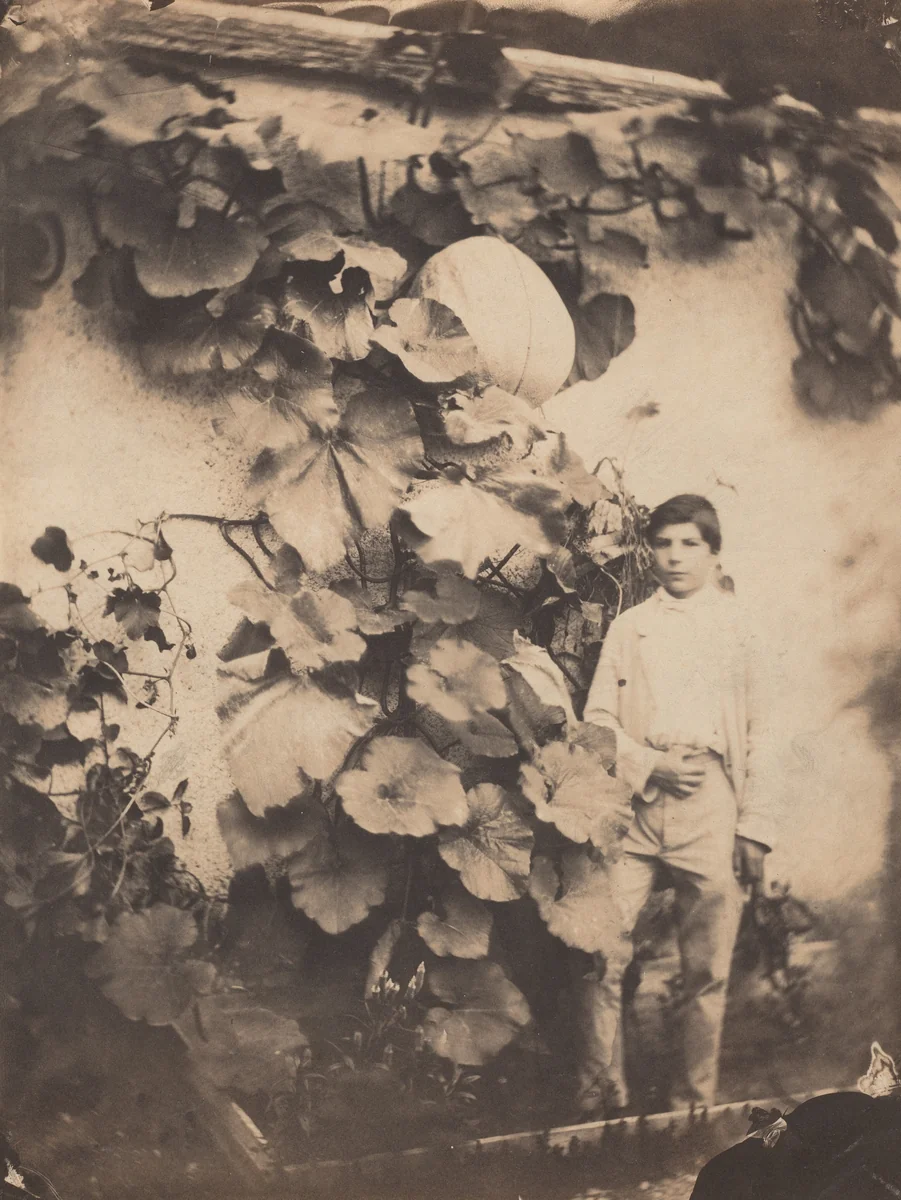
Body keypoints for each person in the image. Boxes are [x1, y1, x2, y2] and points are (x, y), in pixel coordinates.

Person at [577, 493, 778, 1117]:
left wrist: (754, 829)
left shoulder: (741, 628)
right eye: (663, 543)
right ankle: (597, 1105)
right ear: (650, 551)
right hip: (638, 799)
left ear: (715, 554)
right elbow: (596, 722)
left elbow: (765, 730)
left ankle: (691, 1110)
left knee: (705, 969)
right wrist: (648, 763)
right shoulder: (630, 626)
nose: (675, 556)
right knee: (599, 951)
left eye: (690, 543)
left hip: (713, 801)